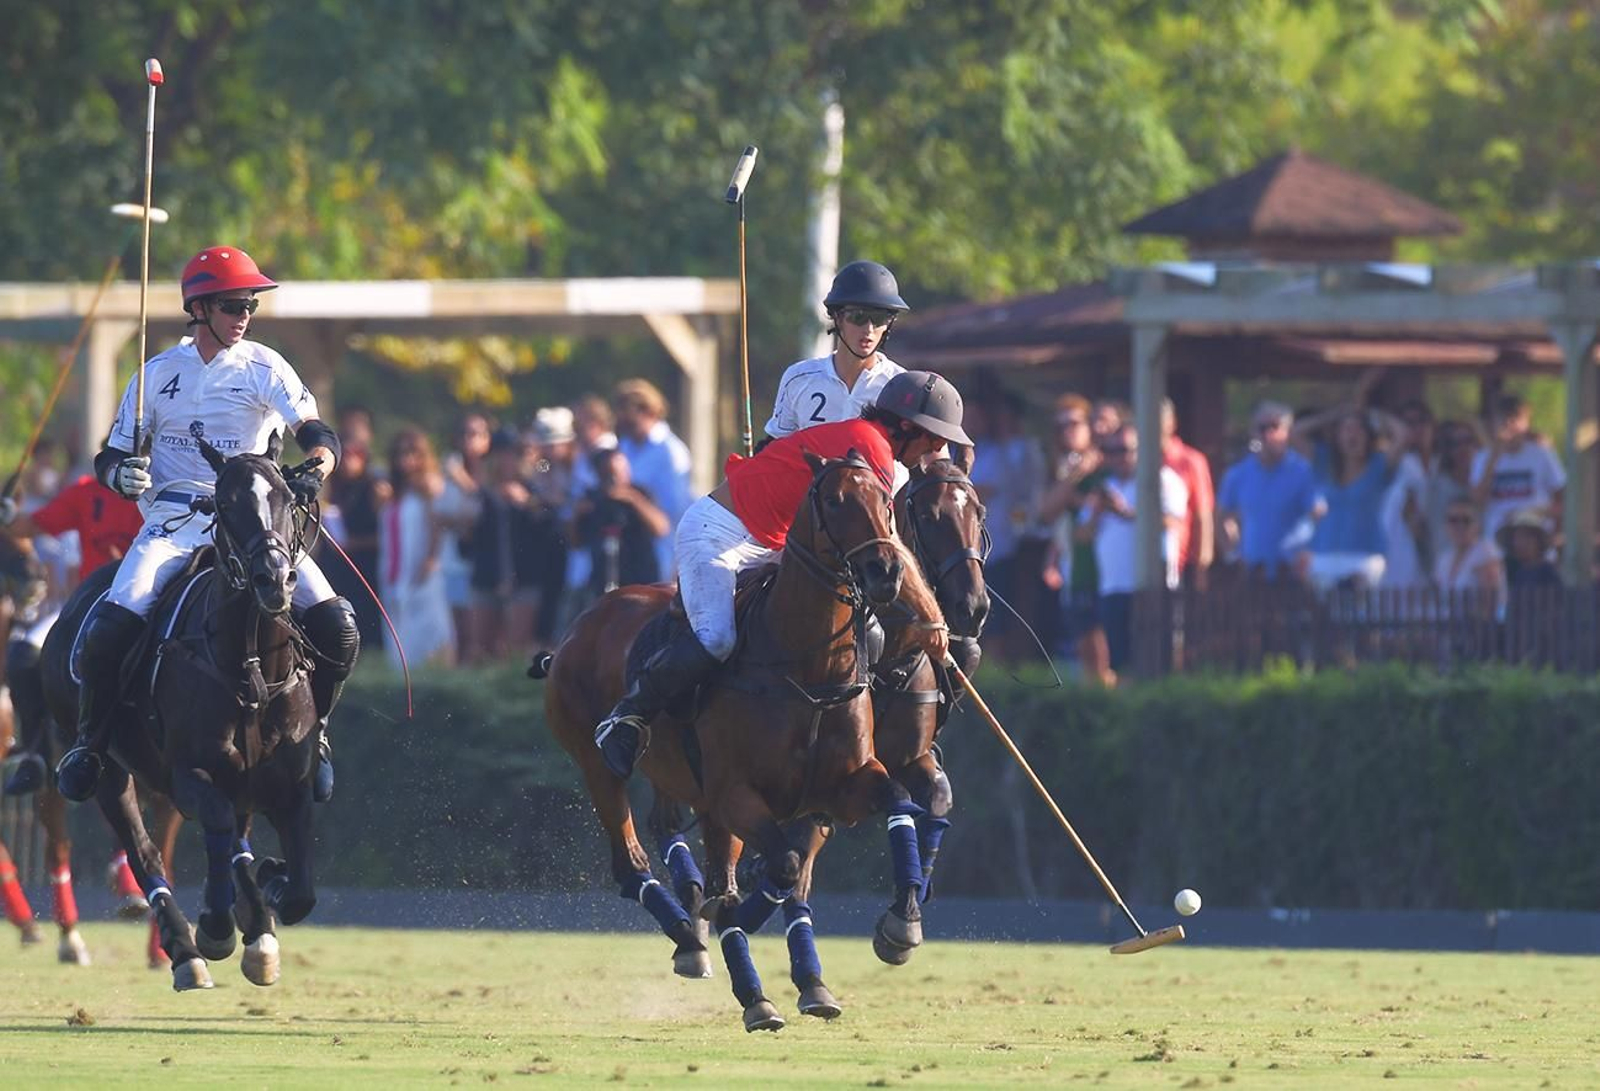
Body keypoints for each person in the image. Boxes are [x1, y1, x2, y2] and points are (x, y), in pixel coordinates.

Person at [52, 245, 359, 805]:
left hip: (254, 528)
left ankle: (317, 738)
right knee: (108, 630)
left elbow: (317, 432)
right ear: (199, 308)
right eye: (232, 304)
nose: (244, 315)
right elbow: (111, 455)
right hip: (172, 525)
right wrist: (122, 476)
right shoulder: (155, 375)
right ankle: (90, 744)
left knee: (339, 626)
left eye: (249, 305)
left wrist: (317, 468)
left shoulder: (266, 366)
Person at [594, 371, 967, 779]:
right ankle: (628, 715)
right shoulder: (870, 448)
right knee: (717, 638)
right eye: (934, 439)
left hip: (775, 544)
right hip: (719, 532)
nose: (936, 450)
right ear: (907, 427)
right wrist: (931, 619)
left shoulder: (883, 457)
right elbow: (890, 548)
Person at [0, 476, 143, 794]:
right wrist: (7, 515)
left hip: (146, 597)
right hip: (87, 600)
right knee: (22, 652)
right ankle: (35, 755)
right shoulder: (85, 490)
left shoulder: (162, 485)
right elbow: (30, 526)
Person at [1075, 425, 1187, 674]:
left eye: (1124, 450)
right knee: (1120, 666)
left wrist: (1125, 512)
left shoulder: (1163, 480)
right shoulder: (1104, 487)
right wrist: (1097, 513)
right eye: (1111, 451)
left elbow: (1172, 521)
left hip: (1153, 588)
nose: (1118, 457)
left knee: (1158, 661)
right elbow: (1081, 536)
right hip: (1113, 587)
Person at [764, 260, 907, 441]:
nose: (869, 329)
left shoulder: (903, 385)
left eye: (879, 319)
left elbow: (932, 453)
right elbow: (775, 448)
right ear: (838, 318)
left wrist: (940, 466)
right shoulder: (798, 378)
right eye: (858, 317)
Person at [1039, 394, 1112, 684]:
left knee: (1104, 647)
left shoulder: (1108, 464)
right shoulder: (1067, 468)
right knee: (1084, 648)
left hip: (1106, 567)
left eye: (1074, 423)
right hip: (1076, 568)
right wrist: (1075, 474)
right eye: (1060, 426)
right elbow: (1046, 511)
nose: (1067, 431)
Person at [1294, 405, 1404, 591]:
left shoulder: (1378, 465)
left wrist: (1373, 413)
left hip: (1365, 555)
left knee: (1360, 618)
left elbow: (1402, 435)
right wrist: (1334, 414)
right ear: (1337, 436)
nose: (1353, 435)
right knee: (1326, 617)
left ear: (1369, 436)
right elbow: (1295, 432)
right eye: (1346, 429)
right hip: (1324, 554)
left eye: (1359, 429)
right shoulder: (1324, 463)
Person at [1217, 402, 1325, 581]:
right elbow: (1222, 517)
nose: (1268, 434)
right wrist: (1232, 556)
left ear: (1288, 432)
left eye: (1275, 427)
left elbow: (1320, 515)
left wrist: (1311, 552)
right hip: (1253, 570)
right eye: (1262, 428)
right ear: (1253, 432)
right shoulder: (1238, 474)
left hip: (1293, 571)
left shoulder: (1303, 471)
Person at [378, 428, 454, 669]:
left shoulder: (428, 488)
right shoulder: (394, 493)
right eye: (401, 454)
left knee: (432, 632)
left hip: (423, 572)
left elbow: (436, 527)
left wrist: (430, 559)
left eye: (412, 454)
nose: (406, 460)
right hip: (394, 574)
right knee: (400, 638)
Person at [614, 379, 693, 579]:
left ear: (647, 412)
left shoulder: (670, 452)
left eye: (630, 418)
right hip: (629, 547)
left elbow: (676, 510)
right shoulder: (626, 445)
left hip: (661, 551)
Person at [571, 447, 668, 597]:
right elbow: (576, 543)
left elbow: (661, 528)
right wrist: (577, 516)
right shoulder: (592, 499)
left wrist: (634, 500)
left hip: (641, 580)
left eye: (622, 472)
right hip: (603, 581)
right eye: (610, 474)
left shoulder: (640, 493)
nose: (617, 479)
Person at [1473, 393, 1565, 538]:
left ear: (1526, 422)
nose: (1509, 424)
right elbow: (1477, 502)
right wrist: (1494, 458)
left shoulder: (1542, 454)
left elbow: (1562, 498)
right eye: (1503, 419)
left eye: (1515, 418)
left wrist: (1541, 516)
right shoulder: (1483, 457)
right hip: (1497, 540)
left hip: (1537, 539)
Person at [1161, 398, 1215, 589]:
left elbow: (1203, 513)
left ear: (1172, 422)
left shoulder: (1191, 460)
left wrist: (1202, 566)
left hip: (1180, 561)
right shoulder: (1133, 459)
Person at [1432, 497, 1503, 607]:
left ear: (1477, 525)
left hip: (1477, 623)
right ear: (1446, 525)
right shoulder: (1444, 559)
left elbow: (1491, 605)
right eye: (1453, 520)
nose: (1460, 526)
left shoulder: (1486, 554)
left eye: (1466, 520)